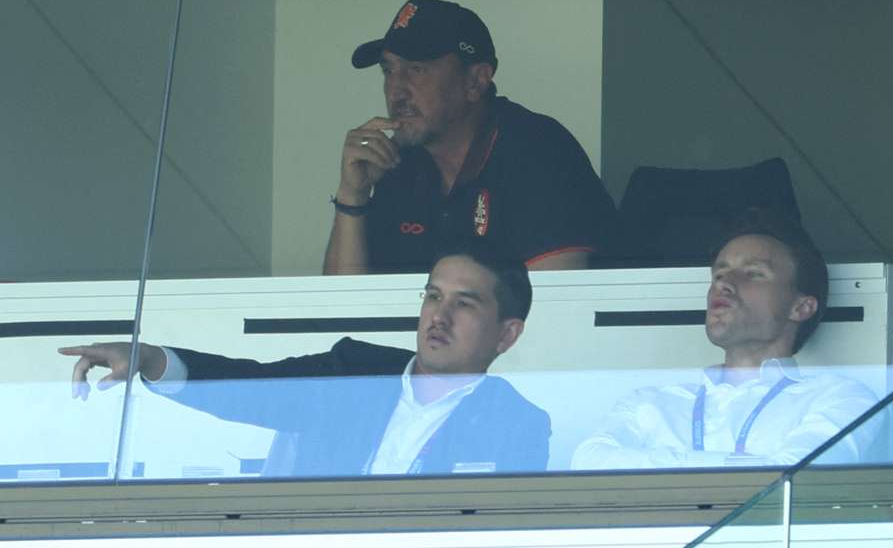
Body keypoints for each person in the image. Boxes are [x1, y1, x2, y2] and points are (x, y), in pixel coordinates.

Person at [60, 247, 551, 477]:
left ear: (507, 334)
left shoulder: (518, 422)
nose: (438, 316)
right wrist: (148, 358)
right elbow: (251, 386)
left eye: (464, 304)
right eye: (432, 296)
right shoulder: (353, 370)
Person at [323, 0, 616, 275]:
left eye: (416, 69)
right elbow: (344, 309)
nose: (395, 90)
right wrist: (353, 197)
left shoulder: (538, 151)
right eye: (388, 70)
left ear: (476, 81)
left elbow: (555, 311)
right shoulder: (400, 162)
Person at [571, 210, 881, 469]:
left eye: (753, 274)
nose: (725, 285)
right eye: (719, 274)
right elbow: (587, 461)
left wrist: (660, 466)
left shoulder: (842, 399)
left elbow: (791, 477)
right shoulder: (649, 401)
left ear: (800, 307)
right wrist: (743, 464)